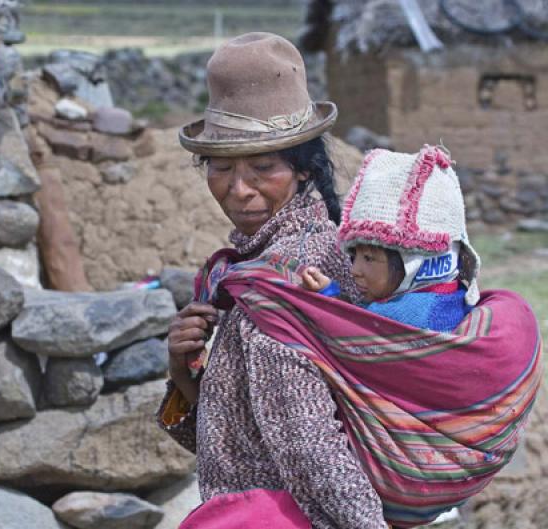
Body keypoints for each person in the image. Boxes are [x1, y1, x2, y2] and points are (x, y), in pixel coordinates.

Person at [157, 32, 388, 529]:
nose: (240, 189)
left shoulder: (285, 279)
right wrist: (183, 372)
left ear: (304, 171)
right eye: (220, 167)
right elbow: (234, 440)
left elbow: (312, 445)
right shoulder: (251, 267)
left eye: (263, 167)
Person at [300, 146, 478, 333]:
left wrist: (328, 296)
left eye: (368, 258)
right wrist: (328, 290)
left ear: (414, 263)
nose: (354, 270)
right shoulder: (451, 296)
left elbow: (350, 327)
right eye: (354, 256)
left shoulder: (404, 319)